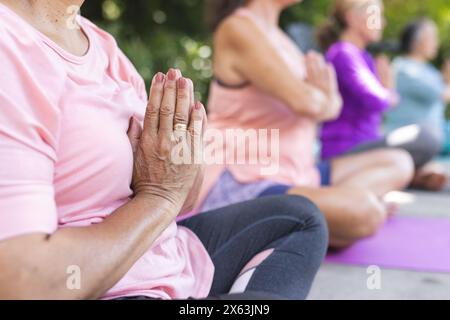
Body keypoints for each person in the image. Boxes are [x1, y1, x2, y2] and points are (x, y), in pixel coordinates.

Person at [0, 0, 329, 300]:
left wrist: (181, 162)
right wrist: (159, 197)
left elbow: (180, 198)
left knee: (298, 219)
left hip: (162, 257)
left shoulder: (98, 42)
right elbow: (25, 282)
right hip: (108, 288)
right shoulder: (10, 46)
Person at [198, 0, 414, 249]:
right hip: (245, 181)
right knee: (366, 212)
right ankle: (321, 222)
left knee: (399, 161)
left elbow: (326, 104)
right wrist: (326, 99)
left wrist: (325, 100)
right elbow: (307, 103)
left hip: (297, 174)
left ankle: (308, 224)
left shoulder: (280, 37)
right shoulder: (237, 27)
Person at [318, 0, 447, 190]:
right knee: (427, 136)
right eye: (376, 16)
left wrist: (387, 91)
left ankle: (413, 175)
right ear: (352, 17)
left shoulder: (363, 56)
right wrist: (389, 91)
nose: (382, 23)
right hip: (345, 148)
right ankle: (413, 175)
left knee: (427, 138)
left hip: (366, 141)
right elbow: (376, 99)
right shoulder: (344, 53)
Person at [385, 18, 450, 149]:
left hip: (435, 129)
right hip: (414, 134)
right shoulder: (404, 69)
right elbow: (441, 94)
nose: (436, 43)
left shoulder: (426, 69)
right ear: (417, 42)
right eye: (432, 38)